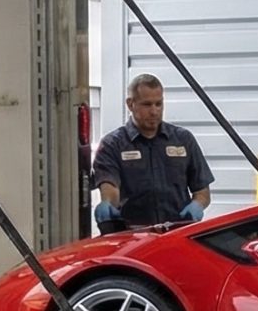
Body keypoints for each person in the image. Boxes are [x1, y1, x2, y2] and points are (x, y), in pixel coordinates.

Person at [92, 72, 214, 232]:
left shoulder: (183, 140)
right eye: (147, 104)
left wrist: (197, 205)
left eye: (159, 104)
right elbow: (110, 188)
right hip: (133, 236)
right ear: (130, 104)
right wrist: (108, 204)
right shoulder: (113, 145)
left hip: (176, 234)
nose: (154, 111)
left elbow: (202, 191)